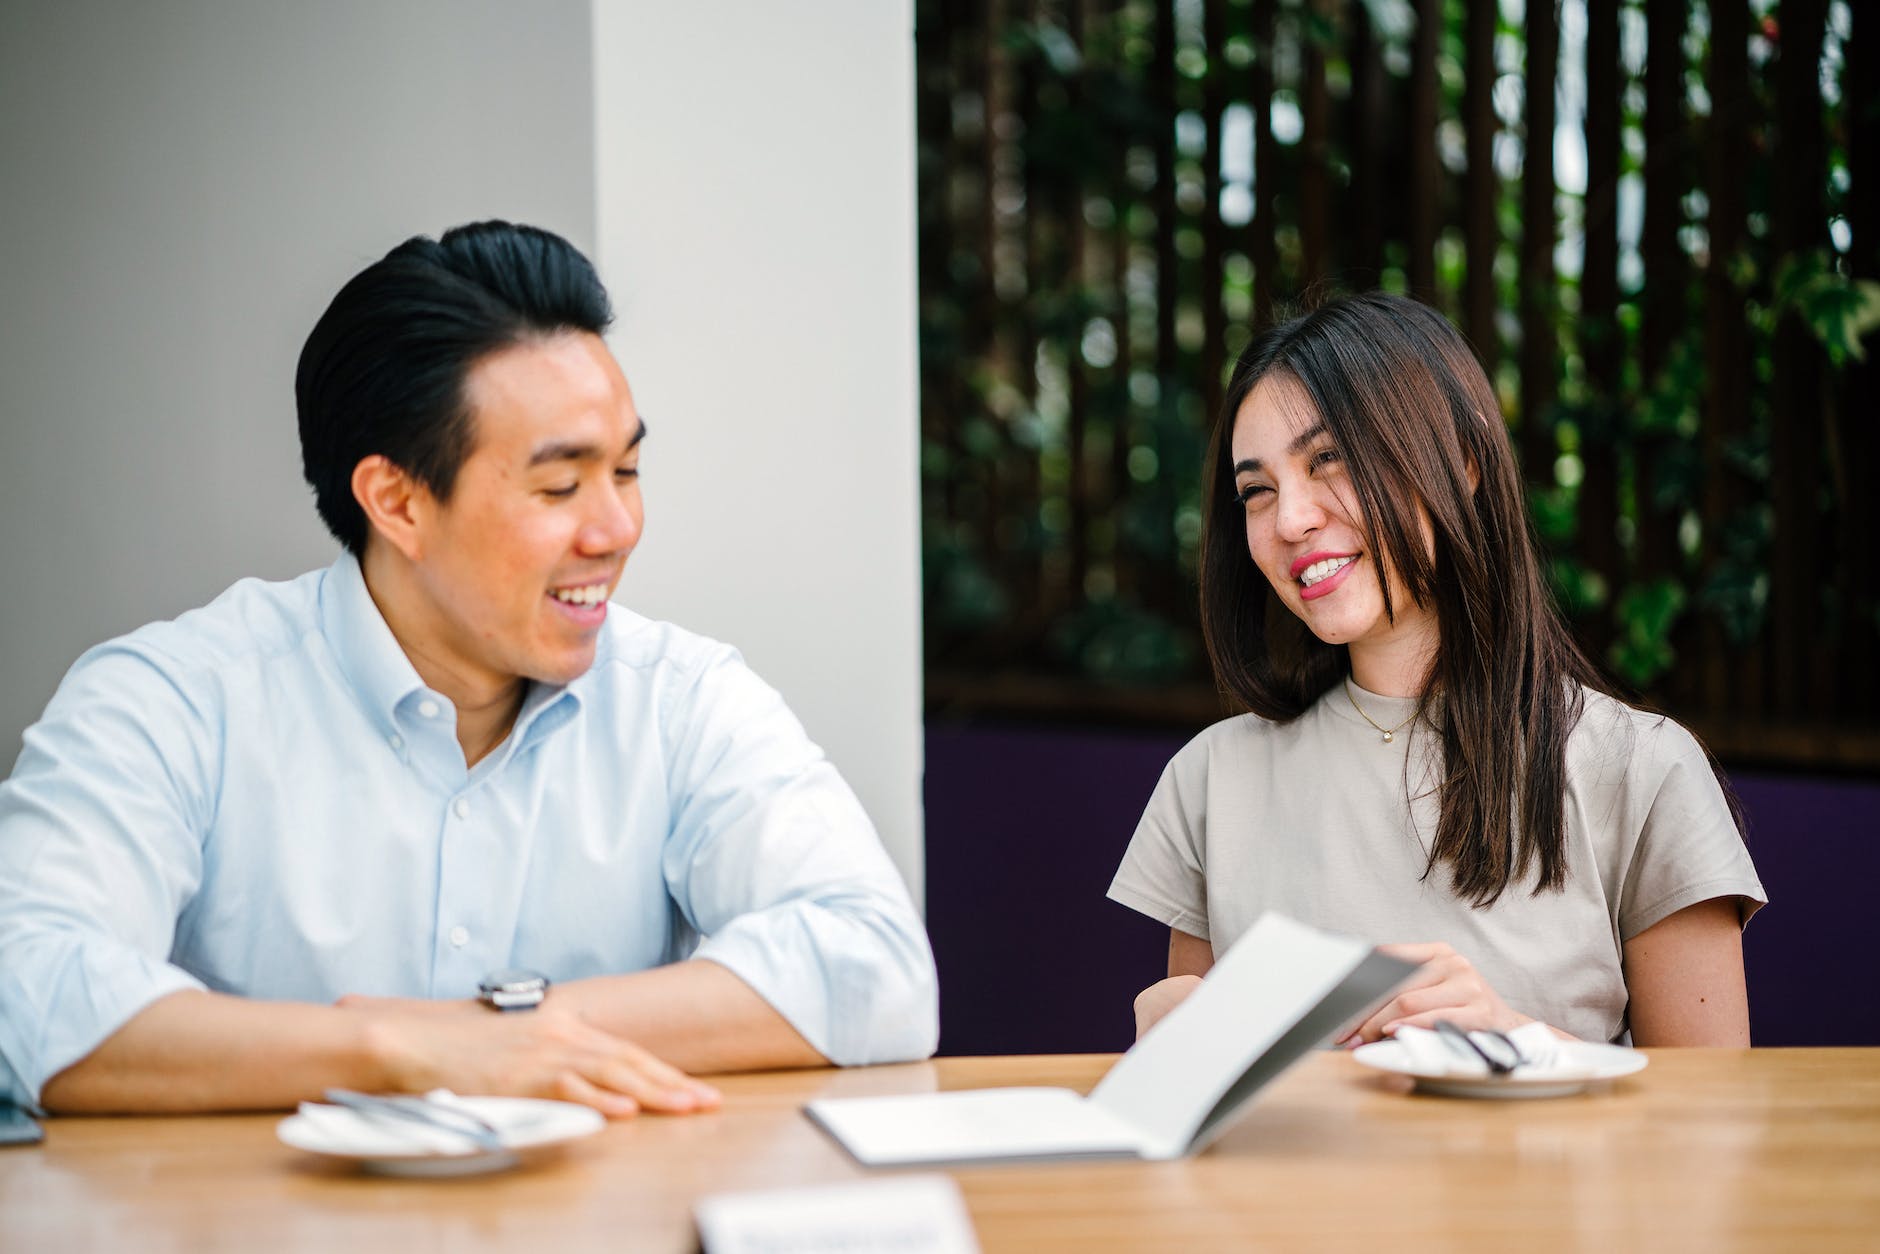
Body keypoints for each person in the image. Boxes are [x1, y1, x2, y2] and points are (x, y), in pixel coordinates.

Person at [0, 221, 937, 1116]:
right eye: (561, 485)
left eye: (627, 472)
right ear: (397, 501)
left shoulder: (680, 700)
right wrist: (391, 1053)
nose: (615, 530)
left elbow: (878, 965)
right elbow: (26, 987)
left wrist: (510, 1033)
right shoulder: (172, 701)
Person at [1110, 292, 1764, 1047]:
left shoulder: (1641, 772)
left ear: (1465, 461)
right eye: (1257, 491)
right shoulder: (1209, 783)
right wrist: (1173, 1058)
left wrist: (1515, 1043)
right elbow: (1203, 1131)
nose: (1290, 520)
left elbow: (1711, 1134)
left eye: (1330, 459)